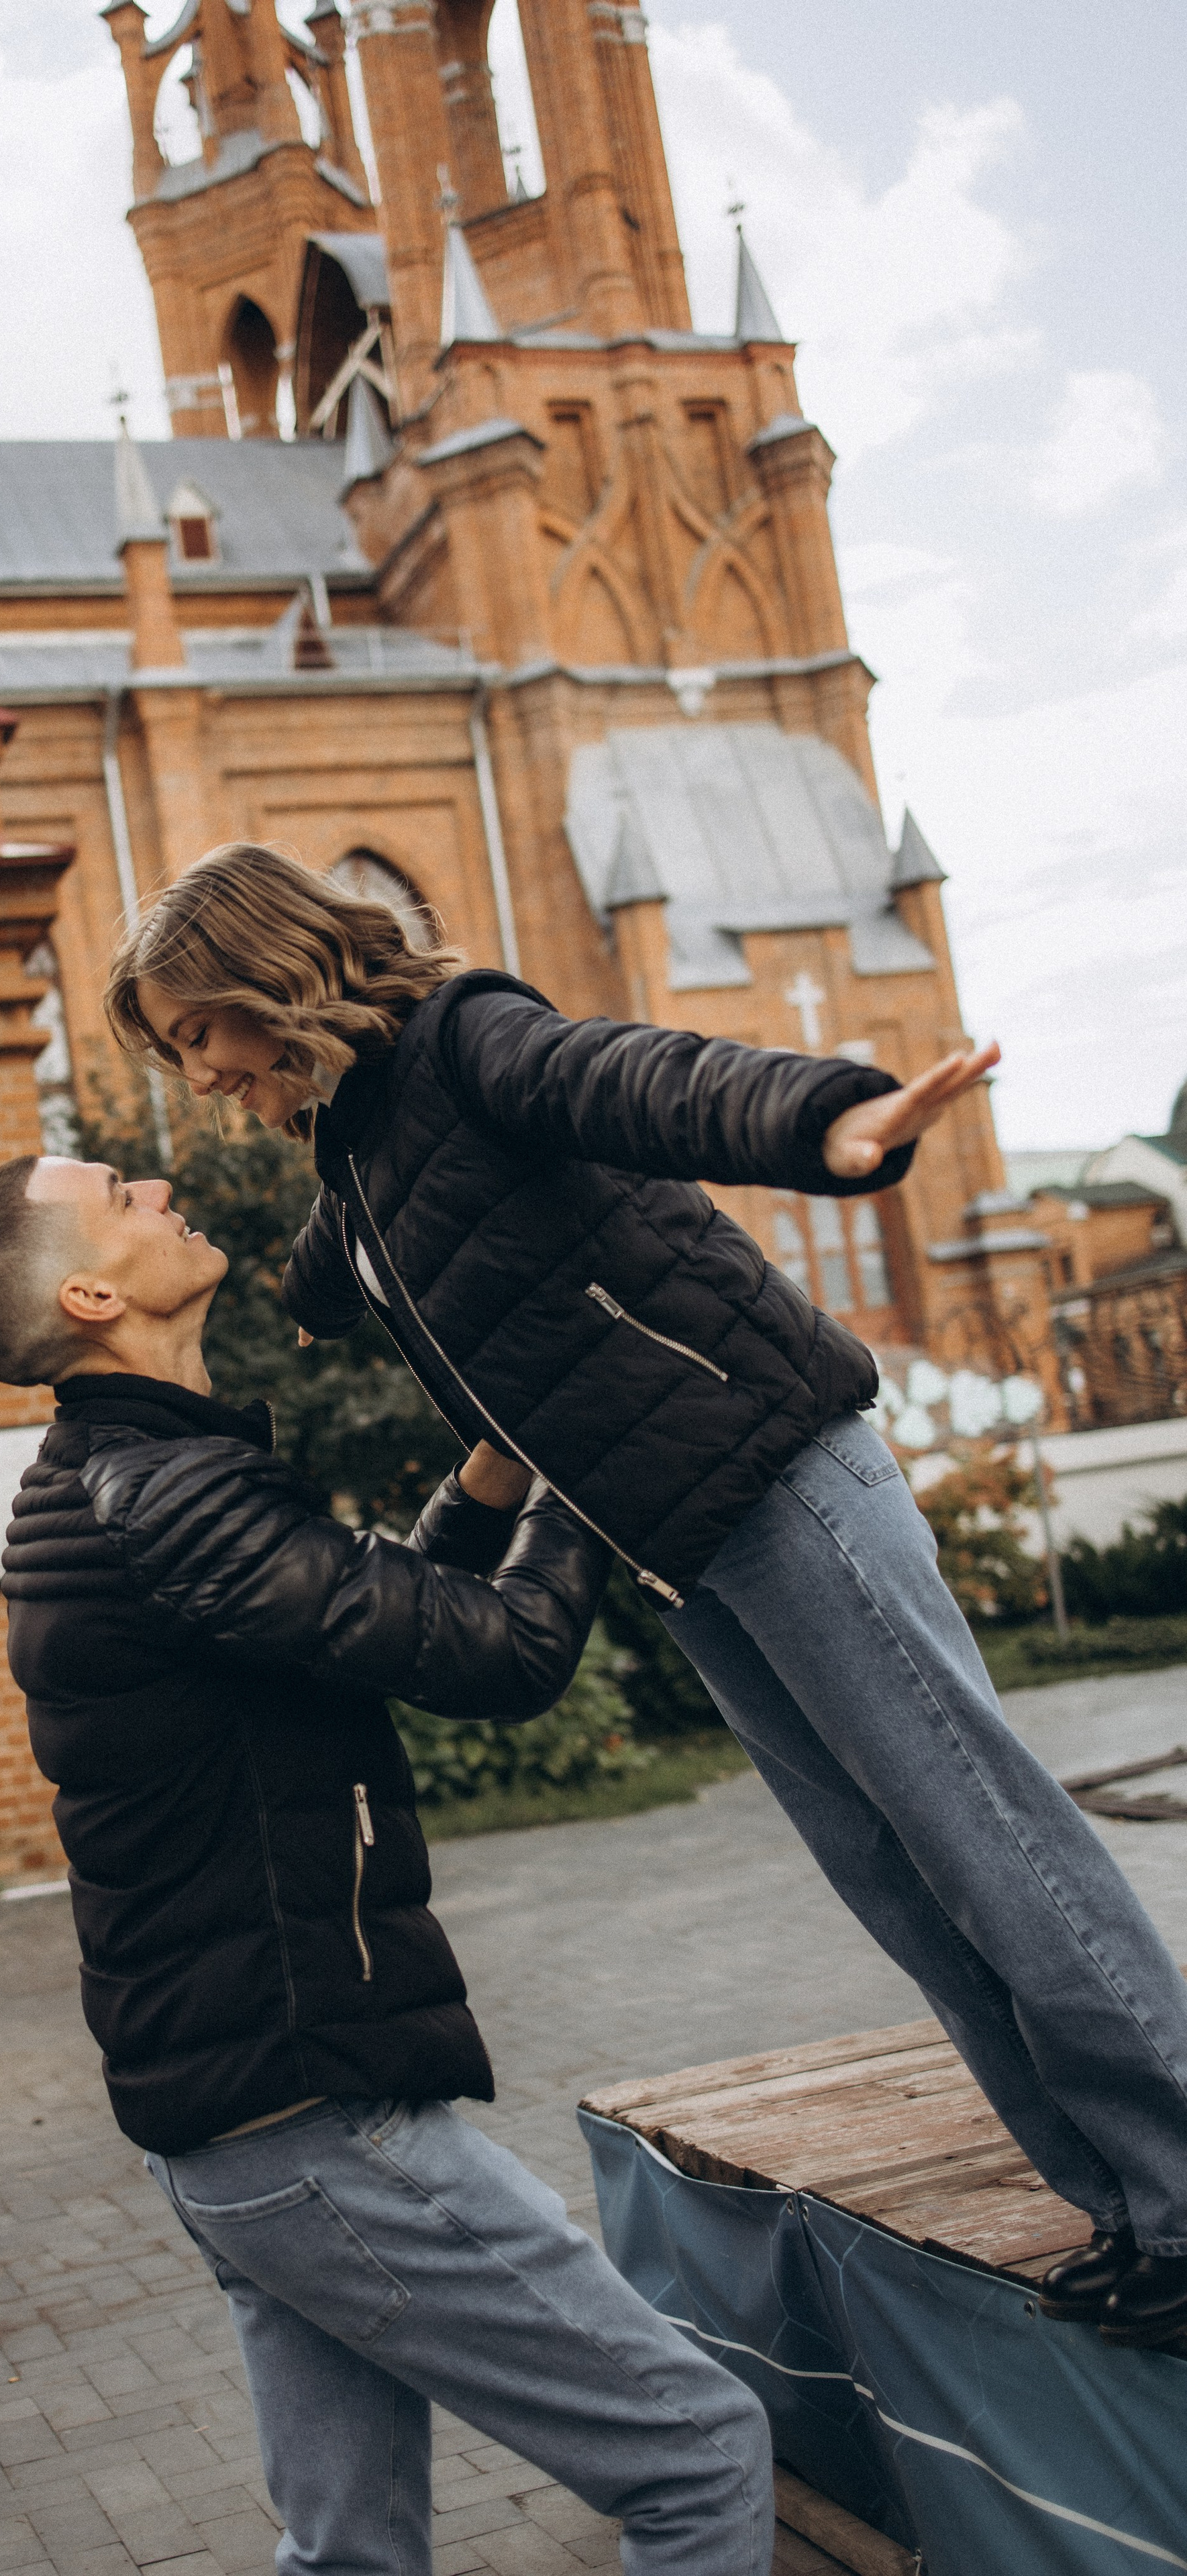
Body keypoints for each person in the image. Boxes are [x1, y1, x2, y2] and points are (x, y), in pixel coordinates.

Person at [104, 840, 1187, 2352]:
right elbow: (353, 1264)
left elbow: (643, 1080)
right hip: (679, 1541)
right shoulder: (348, 1146)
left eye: (194, 1034)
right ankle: (1125, 2207)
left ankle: (1184, 2197)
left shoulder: (466, 1041)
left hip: (776, 1474)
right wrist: (296, 1271)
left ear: (265, 976)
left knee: (978, 1833)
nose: (195, 1073)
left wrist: (830, 1119)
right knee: (890, 1877)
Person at [0, 1150, 775, 2576]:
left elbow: (369, 1621)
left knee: (347, 2557)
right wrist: (573, 1457)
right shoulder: (164, 1497)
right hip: (316, 2126)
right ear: (86, 1292)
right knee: (697, 2450)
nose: (150, 1179)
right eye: (113, 1193)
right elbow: (499, 1655)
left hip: (236, 2137)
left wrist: (494, 1476)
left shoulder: (128, 1481)